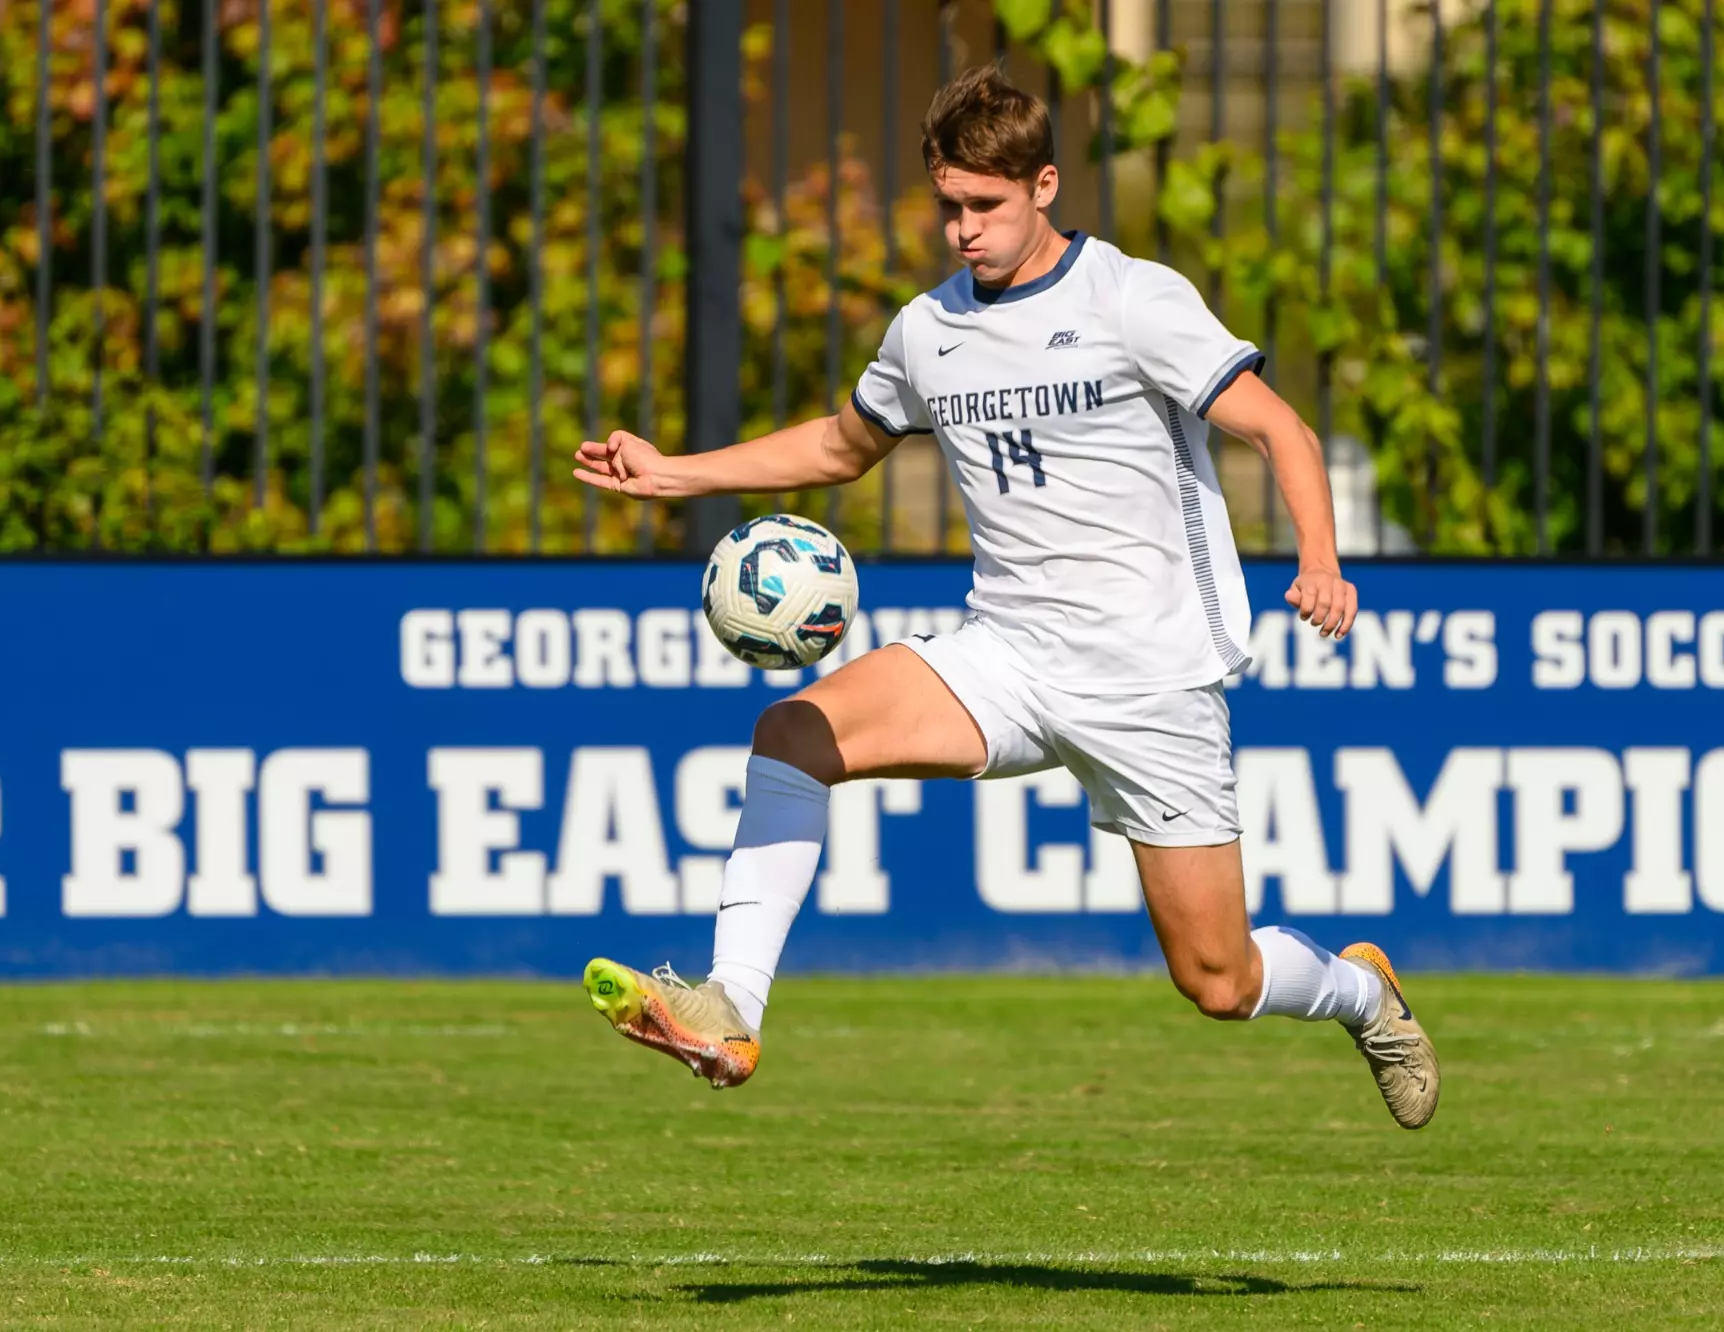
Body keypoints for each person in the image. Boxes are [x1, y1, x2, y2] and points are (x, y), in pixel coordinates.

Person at [570, 65, 1438, 1129]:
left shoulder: (1132, 299)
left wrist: (1321, 559)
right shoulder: (927, 330)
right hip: (1009, 656)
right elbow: (843, 447)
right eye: (948, 207)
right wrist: (675, 473)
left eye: (985, 205)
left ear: (1044, 186)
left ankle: (1363, 995)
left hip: (1150, 681)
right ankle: (731, 1007)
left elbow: (1280, 429)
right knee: (792, 733)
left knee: (1218, 981)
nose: (963, 231)